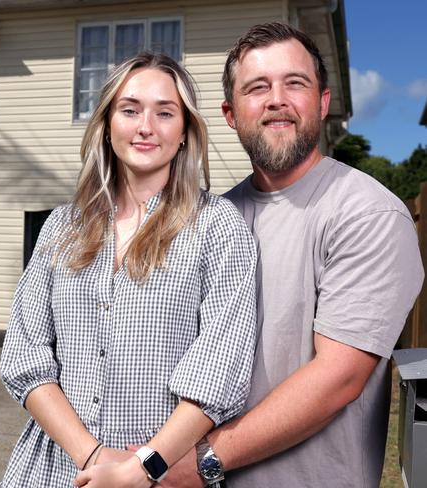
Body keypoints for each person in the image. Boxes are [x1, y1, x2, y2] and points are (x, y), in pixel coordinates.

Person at [159, 22, 424, 488]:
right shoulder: (210, 219)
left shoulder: (367, 212)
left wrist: (201, 462)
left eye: (294, 83)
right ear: (230, 112)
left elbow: (337, 379)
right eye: (257, 87)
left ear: (322, 103)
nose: (276, 99)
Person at [0, 52, 258, 487]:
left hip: (161, 474)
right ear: (107, 124)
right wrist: (95, 456)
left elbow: (220, 371)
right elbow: (24, 356)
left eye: (165, 112)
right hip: (53, 467)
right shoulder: (62, 226)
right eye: (130, 109)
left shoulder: (217, 226)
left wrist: (142, 468)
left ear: (185, 132)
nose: (145, 127)